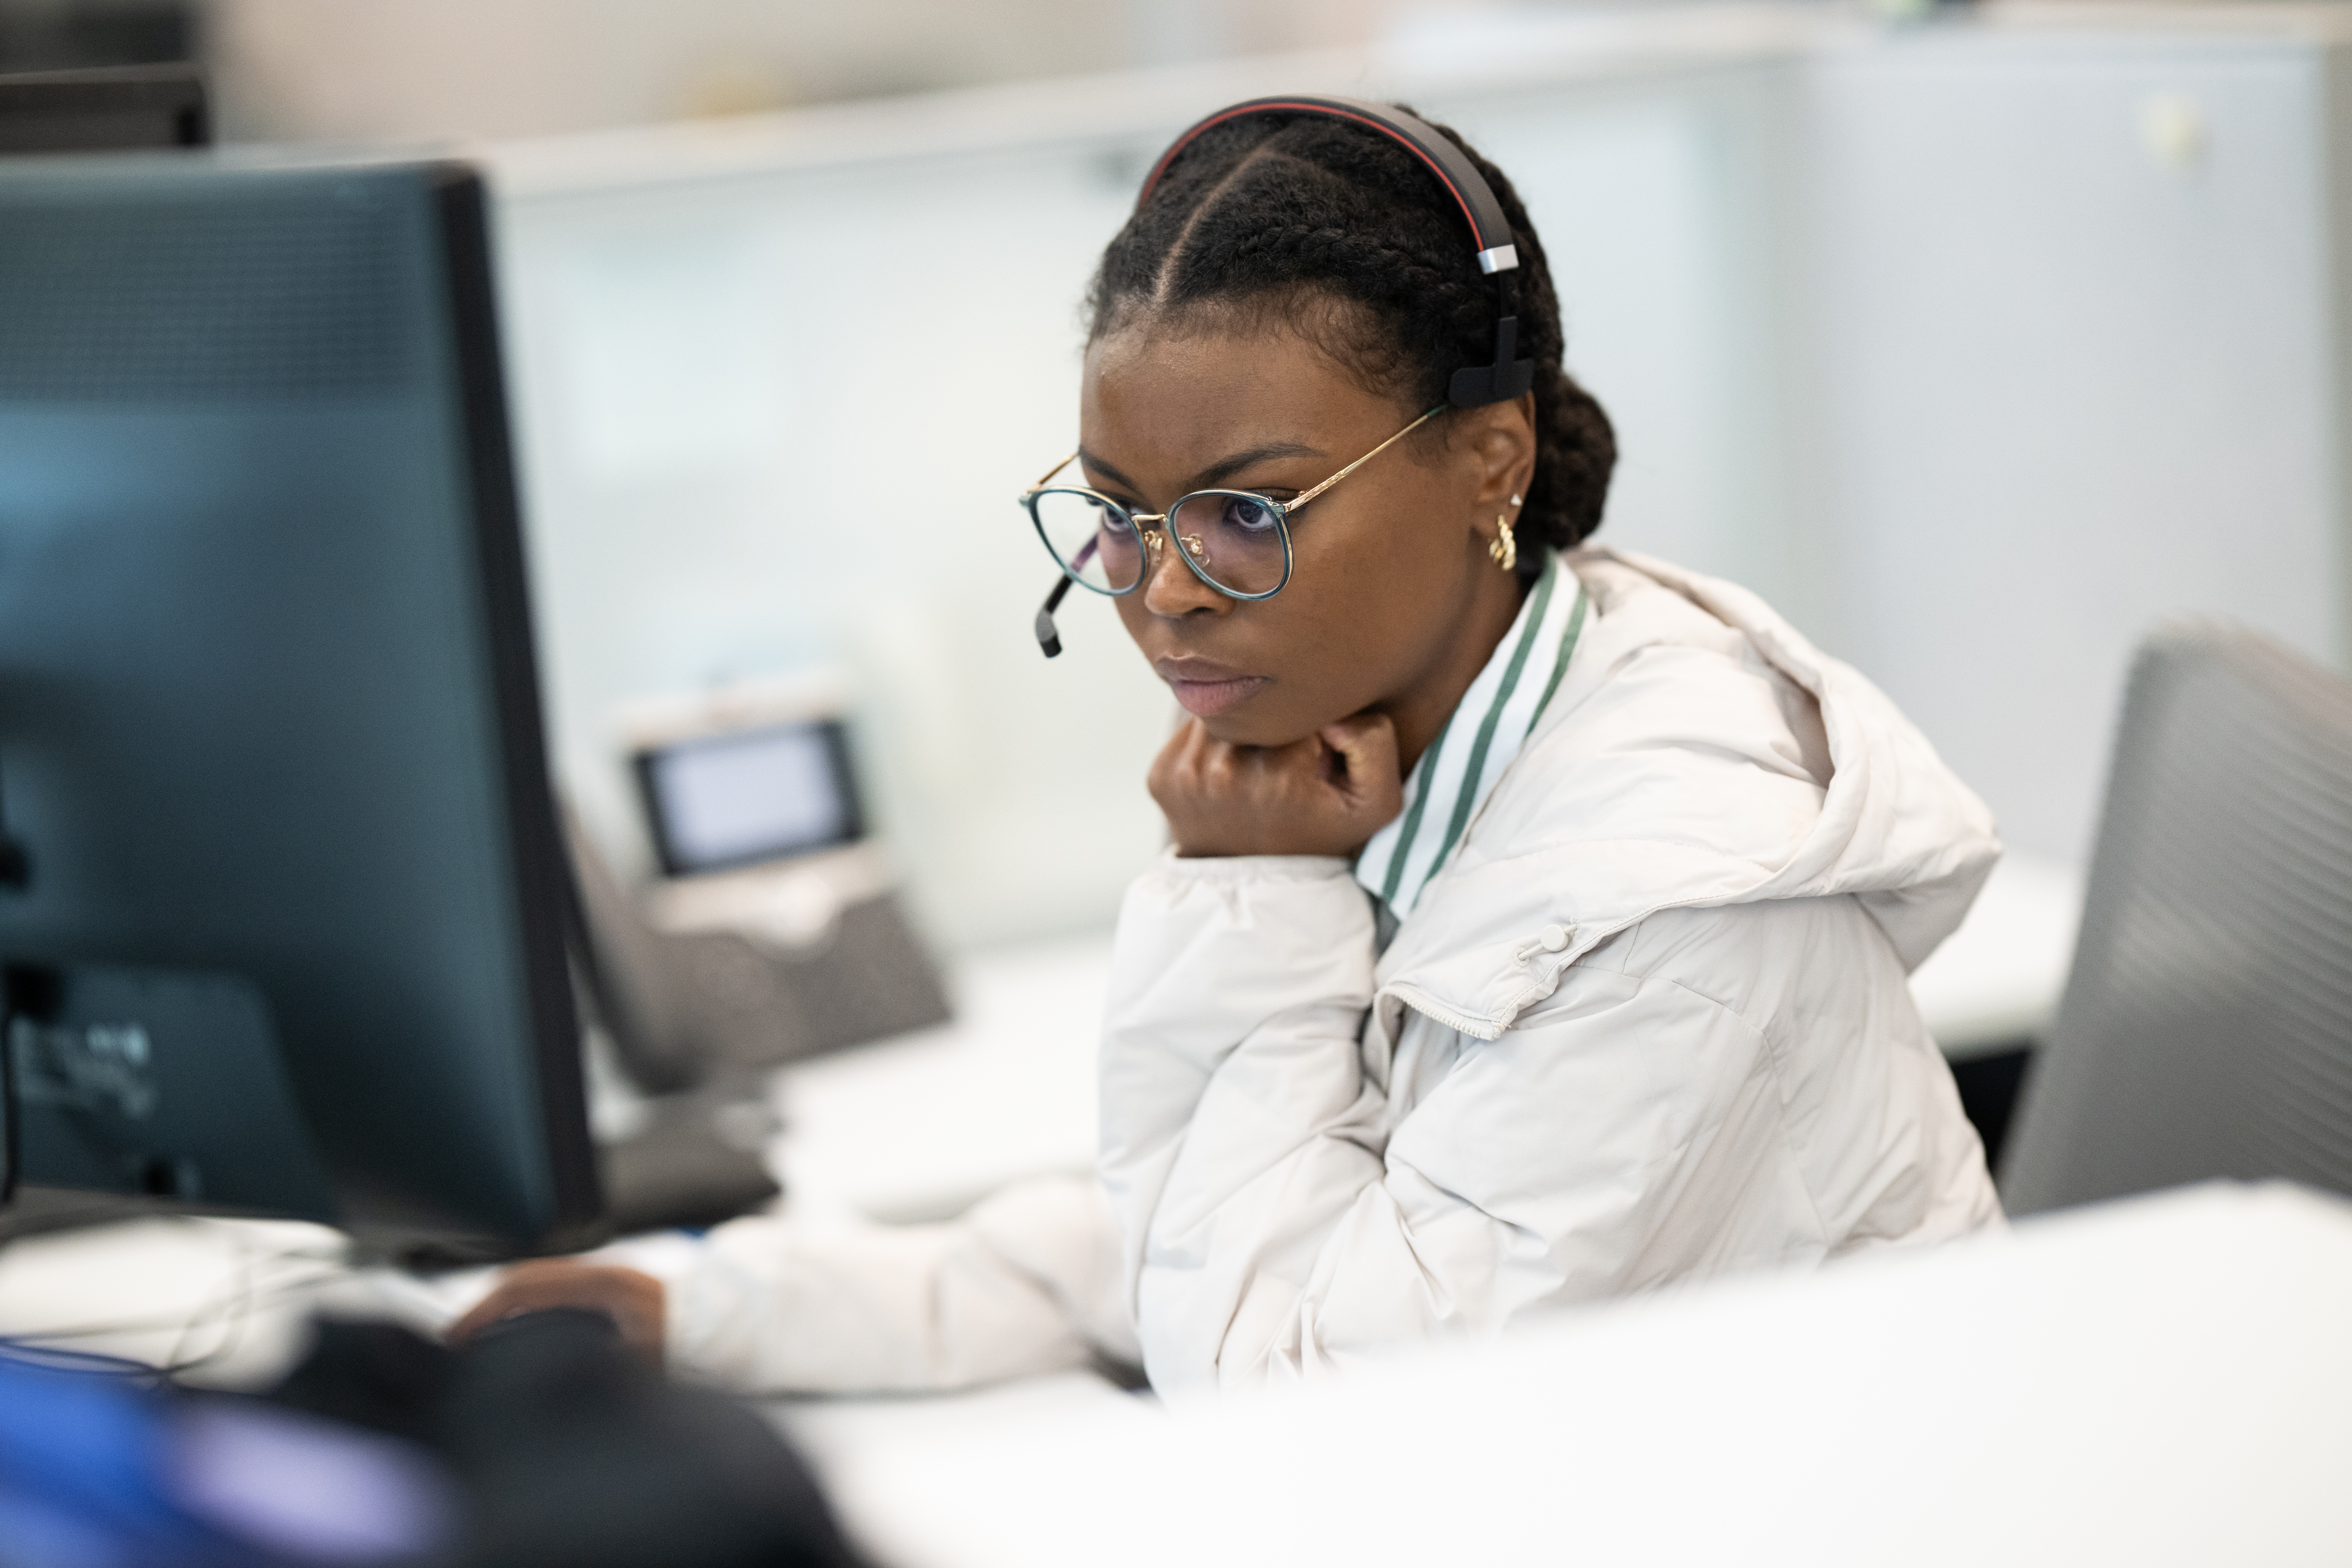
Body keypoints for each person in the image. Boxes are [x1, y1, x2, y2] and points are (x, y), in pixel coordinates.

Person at [454, 99, 2002, 1396]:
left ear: (1491, 461)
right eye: (1119, 520)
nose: (1169, 592)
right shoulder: (1416, 756)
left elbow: (1299, 1416)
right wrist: (721, 1315)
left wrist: (1252, 907)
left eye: (1248, 513)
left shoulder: (1669, 917)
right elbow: (1184, 1239)